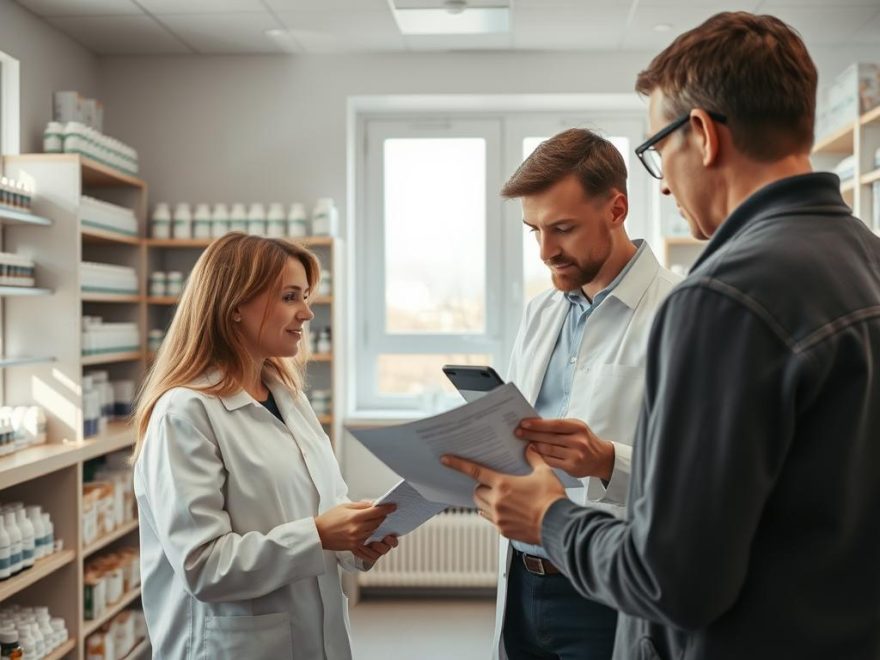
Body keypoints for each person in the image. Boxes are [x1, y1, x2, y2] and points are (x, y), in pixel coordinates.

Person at [444, 11, 880, 660]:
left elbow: (670, 578)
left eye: (656, 152)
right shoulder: (863, 257)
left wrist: (551, 519)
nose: (666, 182)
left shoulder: (718, 297)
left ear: (701, 134)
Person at [132, 233, 397, 659]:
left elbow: (324, 502)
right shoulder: (184, 414)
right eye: (290, 297)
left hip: (314, 635)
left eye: (306, 297)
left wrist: (352, 539)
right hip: (232, 645)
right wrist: (319, 535)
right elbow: (202, 566)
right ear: (235, 305)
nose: (307, 313)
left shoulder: (288, 396)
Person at [492, 128, 680, 659]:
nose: (547, 251)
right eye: (534, 231)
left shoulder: (680, 312)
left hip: (608, 587)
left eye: (564, 229)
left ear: (616, 208)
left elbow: (703, 479)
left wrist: (605, 461)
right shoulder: (540, 312)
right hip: (523, 580)